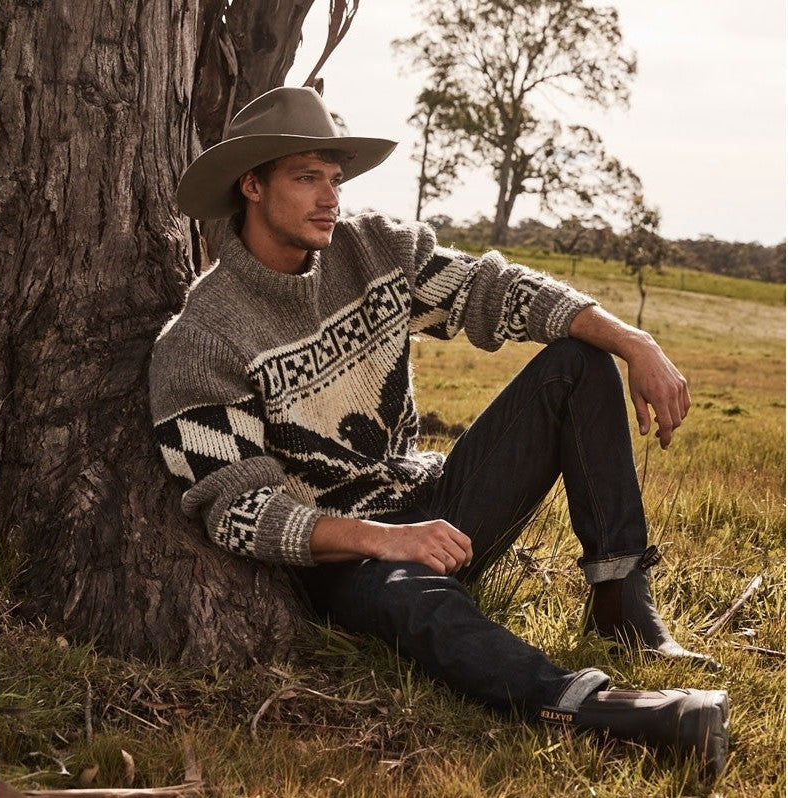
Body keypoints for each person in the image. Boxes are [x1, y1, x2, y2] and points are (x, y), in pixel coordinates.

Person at [150, 87, 729, 776]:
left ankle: (621, 604)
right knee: (416, 605)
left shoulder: (373, 249)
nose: (330, 197)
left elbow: (497, 293)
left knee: (579, 361)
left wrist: (634, 340)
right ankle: (616, 714)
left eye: (333, 178)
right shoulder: (200, 339)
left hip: (435, 503)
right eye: (307, 178)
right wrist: (387, 539)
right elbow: (238, 510)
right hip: (343, 556)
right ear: (251, 184)